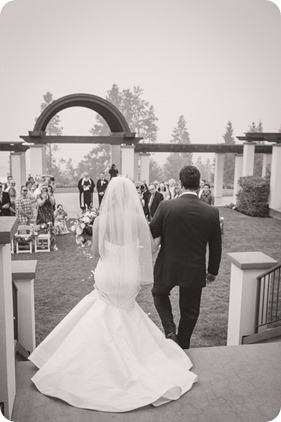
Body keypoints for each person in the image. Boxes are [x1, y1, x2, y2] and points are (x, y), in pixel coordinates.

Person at [28, 177, 197, 412]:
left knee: (102, 311)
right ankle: (133, 361)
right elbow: (151, 247)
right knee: (126, 312)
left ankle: (98, 364)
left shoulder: (100, 220)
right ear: (131, 197)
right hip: (128, 277)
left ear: (109, 197)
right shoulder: (139, 220)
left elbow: (97, 251)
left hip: (107, 274)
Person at [150, 165, 222, 349]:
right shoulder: (212, 212)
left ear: (181, 184)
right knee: (190, 311)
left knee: (159, 293)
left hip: (168, 266)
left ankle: (170, 331)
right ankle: (183, 344)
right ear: (199, 185)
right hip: (194, 269)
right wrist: (212, 271)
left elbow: (152, 231)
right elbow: (215, 247)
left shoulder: (166, 206)